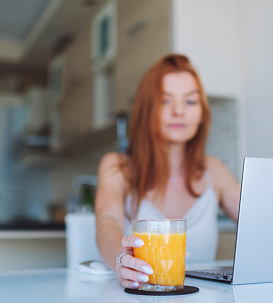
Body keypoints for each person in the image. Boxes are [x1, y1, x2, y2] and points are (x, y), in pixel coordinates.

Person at [94, 53, 241, 289]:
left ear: (202, 113)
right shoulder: (117, 167)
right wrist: (121, 260)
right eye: (165, 100)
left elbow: (255, 225)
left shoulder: (214, 170)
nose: (179, 111)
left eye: (191, 101)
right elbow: (107, 221)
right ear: (146, 109)